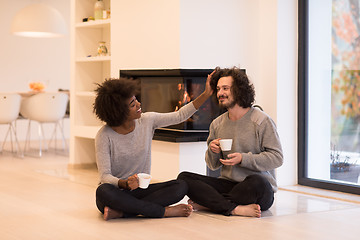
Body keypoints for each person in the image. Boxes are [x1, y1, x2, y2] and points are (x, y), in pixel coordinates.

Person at [94, 72, 213, 220]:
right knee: (103, 191)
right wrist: (124, 183)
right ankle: (164, 212)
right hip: (117, 191)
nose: (138, 104)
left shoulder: (147, 120)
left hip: (141, 191)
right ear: (120, 112)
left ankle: (123, 212)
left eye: (136, 100)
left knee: (180, 186)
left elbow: (180, 116)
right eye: (133, 104)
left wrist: (206, 93)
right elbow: (105, 176)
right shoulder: (104, 135)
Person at [177, 66, 283, 218]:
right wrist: (213, 151)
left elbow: (277, 157)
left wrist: (243, 158)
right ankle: (234, 208)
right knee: (184, 178)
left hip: (256, 188)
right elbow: (213, 165)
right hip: (229, 185)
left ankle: (210, 204)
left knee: (257, 181)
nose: (220, 93)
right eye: (219, 89)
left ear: (239, 90)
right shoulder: (217, 124)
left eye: (225, 88)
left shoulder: (261, 120)